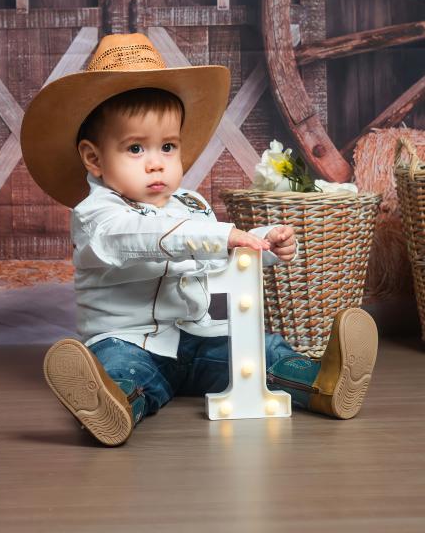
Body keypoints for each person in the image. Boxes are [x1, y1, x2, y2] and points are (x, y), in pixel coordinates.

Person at [20, 33, 378, 446]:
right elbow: (146, 238)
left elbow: (216, 258)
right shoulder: (96, 215)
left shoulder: (190, 205)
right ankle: (113, 406)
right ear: (94, 158)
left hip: (200, 337)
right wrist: (222, 236)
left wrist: (262, 244)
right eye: (135, 148)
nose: (156, 163)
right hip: (131, 340)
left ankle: (324, 384)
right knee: (124, 370)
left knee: (262, 351)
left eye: (167, 147)